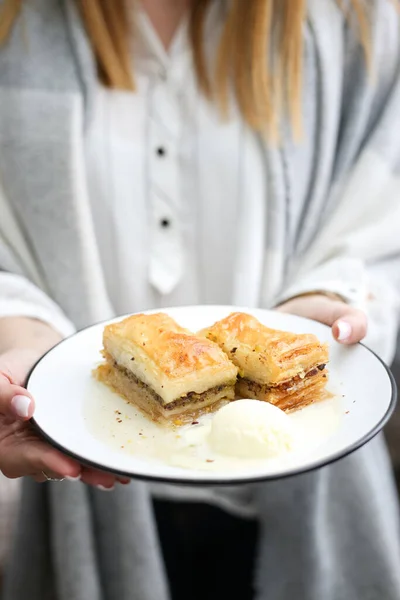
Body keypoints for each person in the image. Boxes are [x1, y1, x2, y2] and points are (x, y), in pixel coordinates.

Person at [0, 0, 400, 598]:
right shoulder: (15, 27)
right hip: (80, 480)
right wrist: (20, 341)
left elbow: (383, 211)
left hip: (312, 477)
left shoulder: (353, 20)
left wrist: (326, 299)